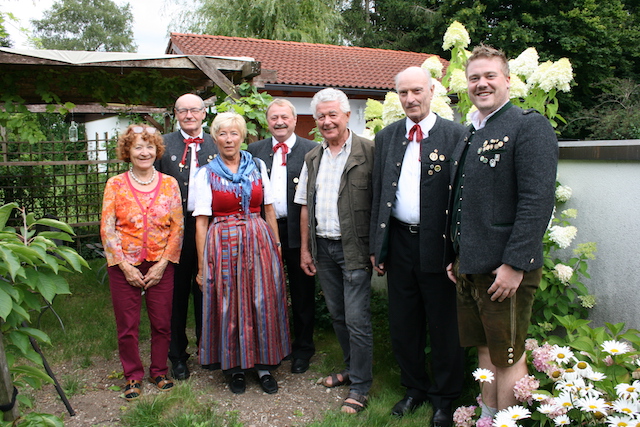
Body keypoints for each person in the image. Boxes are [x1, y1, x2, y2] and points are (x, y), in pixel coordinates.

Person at [446, 44, 558, 417]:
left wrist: (515, 263)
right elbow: (462, 200)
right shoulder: (470, 132)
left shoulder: (529, 125)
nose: (482, 84)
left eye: (490, 76)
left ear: (508, 81)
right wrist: (455, 255)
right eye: (474, 77)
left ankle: (508, 423)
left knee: (508, 355)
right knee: (484, 351)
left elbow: (537, 201)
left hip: (503, 272)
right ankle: (489, 418)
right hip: (471, 267)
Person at [369, 67, 466, 426]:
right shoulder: (388, 136)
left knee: (444, 326)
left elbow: (462, 198)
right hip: (398, 241)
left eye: (417, 91)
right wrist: (377, 246)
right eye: (403, 93)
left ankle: (445, 398)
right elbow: (379, 193)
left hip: (438, 245)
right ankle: (414, 388)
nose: (410, 99)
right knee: (404, 324)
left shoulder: (456, 135)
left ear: (432, 91)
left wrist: (459, 252)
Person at [193, 112, 291, 395]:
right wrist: (201, 266)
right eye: (222, 134)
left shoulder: (257, 165)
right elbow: (201, 222)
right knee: (228, 302)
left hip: (258, 239)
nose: (228, 139)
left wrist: (277, 246)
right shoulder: (206, 173)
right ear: (215, 139)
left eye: (234, 133)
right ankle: (234, 367)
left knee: (261, 300)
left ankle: (263, 365)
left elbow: (269, 208)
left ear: (243, 137)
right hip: (222, 241)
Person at [294, 88, 374, 414]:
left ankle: (361, 387)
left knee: (356, 319)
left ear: (346, 116)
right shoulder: (313, 156)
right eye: (321, 117)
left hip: (354, 249)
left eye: (332, 115)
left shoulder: (369, 151)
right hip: (323, 248)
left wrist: (378, 249)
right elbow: (304, 206)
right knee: (339, 316)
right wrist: (305, 250)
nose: (327, 121)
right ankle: (351, 370)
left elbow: (382, 203)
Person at [101, 124, 184, 401]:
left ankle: (159, 371)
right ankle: (133, 376)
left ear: (156, 150)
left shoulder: (170, 184)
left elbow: (177, 228)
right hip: (124, 265)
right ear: (128, 151)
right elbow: (107, 227)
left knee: (162, 323)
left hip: (161, 263)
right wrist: (123, 265)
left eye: (149, 147)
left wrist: (163, 264)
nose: (144, 152)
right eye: (138, 146)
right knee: (127, 325)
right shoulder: (115, 184)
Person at [247, 99, 318, 374]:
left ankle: (303, 348)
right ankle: (273, 345)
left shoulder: (311, 150)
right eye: (274, 117)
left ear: (294, 120)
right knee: (266, 292)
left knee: (302, 293)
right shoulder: (255, 151)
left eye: (284, 117)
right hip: (264, 231)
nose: (279, 122)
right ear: (268, 122)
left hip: (297, 230)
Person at [156, 93, 218, 381]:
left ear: (204, 113)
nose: (189, 115)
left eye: (194, 110)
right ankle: (177, 355)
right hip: (175, 230)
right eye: (183, 110)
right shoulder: (163, 145)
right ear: (176, 114)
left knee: (207, 289)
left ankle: (209, 349)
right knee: (176, 293)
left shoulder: (218, 142)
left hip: (212, 227)